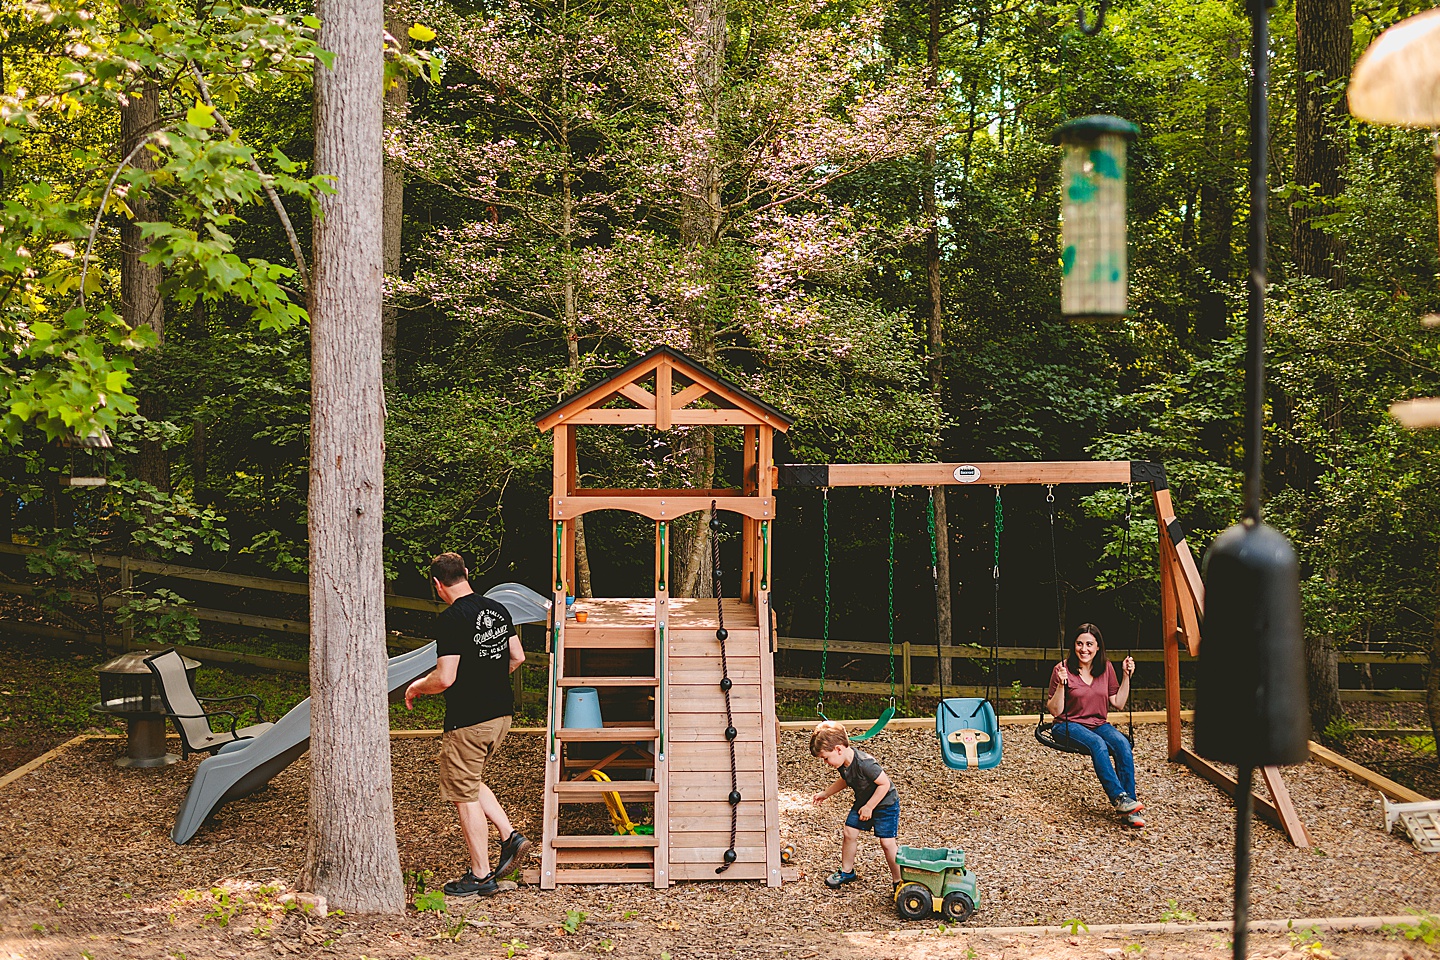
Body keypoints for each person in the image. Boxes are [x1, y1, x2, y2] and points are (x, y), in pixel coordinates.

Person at [405, 552, 531, 896]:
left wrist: (417, 686)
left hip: (469, 721)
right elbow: (517, 657)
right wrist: (487, 679)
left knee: (463, 795)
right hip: (501, 716)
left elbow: (445, 679)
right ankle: (510, 837)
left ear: (436, 584)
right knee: (471, 781)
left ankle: (480, 875)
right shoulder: (497, 609)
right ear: (466, 574)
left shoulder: (451, 619)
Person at [1046, 622, 1143, 827]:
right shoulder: (1062, 669)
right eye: (1079, 643)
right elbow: (1055, 710)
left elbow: (1118, 702)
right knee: (1098, 744)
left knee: (1122, 744)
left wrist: (1127, 676)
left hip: (1098, 723)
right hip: (1067, 724)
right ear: (1073, 646)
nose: (1084, 649)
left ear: (1098, 647)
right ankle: (1119, 798)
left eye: (1089, 644)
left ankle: (1130, 807)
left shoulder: (1105, 668)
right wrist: (1062, 686)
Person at [809, 720, 903, 892]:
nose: (825, 763)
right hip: (864, 801)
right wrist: (826, 793)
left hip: (885, 803)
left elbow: (884, 785)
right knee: (849, 832)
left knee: (887, 842)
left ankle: (899, 881)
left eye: (825, 758)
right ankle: (847, 871)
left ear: (838, 749)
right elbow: (845, 780)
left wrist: (869, 807)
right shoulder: (843, 763)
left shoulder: (865, 763)